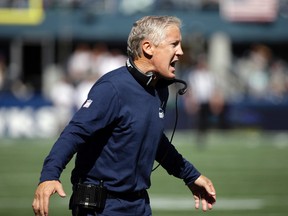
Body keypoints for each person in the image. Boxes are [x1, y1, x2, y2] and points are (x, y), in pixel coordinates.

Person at [32, 15, 216, 216]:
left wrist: (190, 175)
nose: (180, 52)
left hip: (139, 205)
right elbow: (74, 133)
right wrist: (49, 176)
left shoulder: (159, 89)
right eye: (174, 44)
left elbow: (154, 141)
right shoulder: (112, 88)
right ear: (148, 48)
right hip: (101, 207)